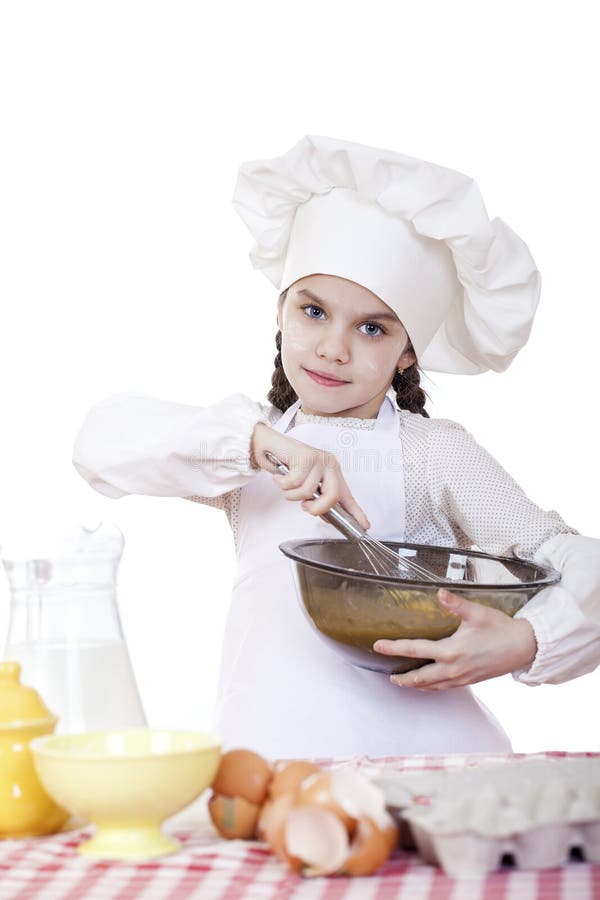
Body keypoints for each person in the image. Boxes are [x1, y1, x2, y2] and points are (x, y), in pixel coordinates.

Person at [72, 135, 600, 758]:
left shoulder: (435, 454)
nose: (332, 348)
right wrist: (261, 445)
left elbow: (579, 562)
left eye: (371, 327)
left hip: (429, 765)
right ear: (281, 311)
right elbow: (100, 442)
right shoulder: (246, 450)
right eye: (314, 311)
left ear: (408, 352)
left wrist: (528, 640)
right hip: (271, 757)